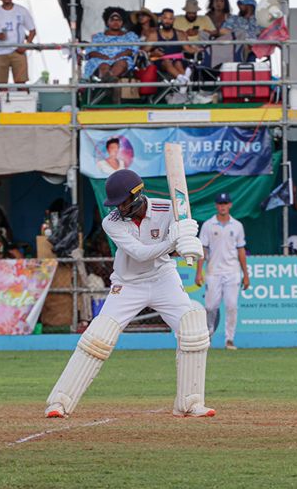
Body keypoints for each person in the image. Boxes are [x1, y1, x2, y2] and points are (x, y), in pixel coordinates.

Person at [45, 169, 213, 418]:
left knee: (193, 329)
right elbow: (141, 253)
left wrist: (187, 240)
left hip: (163, 278)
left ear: (137, 195)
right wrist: (173, 243)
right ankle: (59, 403)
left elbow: (176, 247)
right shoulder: (111, 221)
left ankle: (190, 403)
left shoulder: (168, 209)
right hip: (128, 284)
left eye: (122, 202)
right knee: (97, 337)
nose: (119, 208)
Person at [195, 192, 249, 350]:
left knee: (232, 305)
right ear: (216, 206)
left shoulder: (237, 226)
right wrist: (199, 272)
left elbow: (241, 250)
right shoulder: (208, 225)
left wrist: (246, 274)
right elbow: (202, 250)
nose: (223, 206)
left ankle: (230, 339)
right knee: (211, 306)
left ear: (230, 205)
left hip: (232, 271)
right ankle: (208, 334)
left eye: (225, 204)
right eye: (220, 204)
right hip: (213, 271)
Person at [0, 0, 36, 86]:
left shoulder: (22, 10)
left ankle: (23, 100)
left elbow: (32, 31)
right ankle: (3, 100)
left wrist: (25, 46)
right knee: (2, 85)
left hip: (18, 51)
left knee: (21, 84)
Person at [143, 9, 200, 91]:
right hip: (161, 62)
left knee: (178, 63)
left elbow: (189, 49)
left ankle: (183, 84)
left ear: (174, 20)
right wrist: (153, 53)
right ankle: (184, 80)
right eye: (165, 18)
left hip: (177, 60)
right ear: (161, 19)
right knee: (167, 61)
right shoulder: (154, 35)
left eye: (170, 19)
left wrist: (198, 49)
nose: (167, 21)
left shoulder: (180, 34)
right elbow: (143, 52)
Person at [84, 7, 140, 82]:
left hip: (121, 58)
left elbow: (132, 50)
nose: (115, 22)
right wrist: (103, 57)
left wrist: (119, 56)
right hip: (101, 60)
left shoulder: (130, 36)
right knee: (104, 65)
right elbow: (91, 52)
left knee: (121, 63)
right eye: (112, 20)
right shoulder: (98, 37)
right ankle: (108, 81)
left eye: (118, 20)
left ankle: (107, 81)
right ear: (107, 22)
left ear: (122, 22)